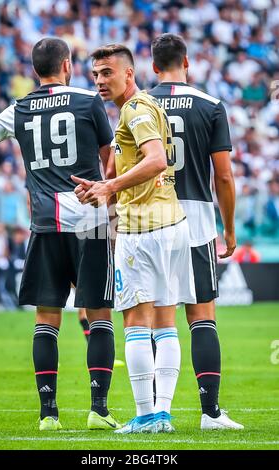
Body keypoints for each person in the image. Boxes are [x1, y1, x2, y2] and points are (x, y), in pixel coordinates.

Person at [0, 37, 121, 432]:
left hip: (44, 221)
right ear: (67, 64)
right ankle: (98, 408)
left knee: (46, 317)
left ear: (34, 70)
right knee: (99, 313)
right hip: (90, 220)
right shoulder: (88, 100)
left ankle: (48, 415)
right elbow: (110, 157)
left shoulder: (19, 108)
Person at [72, 44, 196, 434]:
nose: (99, 81)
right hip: (172, 222)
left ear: (130, 73)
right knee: (166, 322)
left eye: (107, 72)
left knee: (137, 324)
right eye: (94, 74)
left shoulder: (135, 109)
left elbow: (157, 159)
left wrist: (109, 186)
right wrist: (107, 184)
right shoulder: (148, 105)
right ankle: (162, 415)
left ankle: (146, 415)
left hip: (143, 229)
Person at [150, 33, 244, 430]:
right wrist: (230, 229)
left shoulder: (139, 103)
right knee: (202, 315)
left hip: (150, 219)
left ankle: (155, 413)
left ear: (154, 67)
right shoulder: (210, 105)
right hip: (196, 220)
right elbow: (223, 175)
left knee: (157, 318)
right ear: (186, 62)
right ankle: (210, 413)